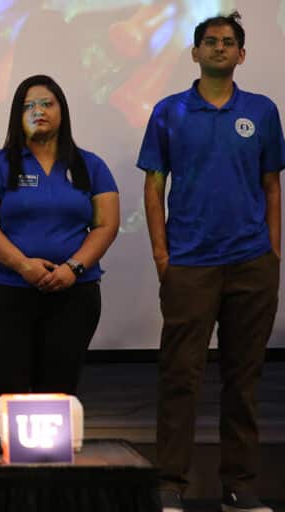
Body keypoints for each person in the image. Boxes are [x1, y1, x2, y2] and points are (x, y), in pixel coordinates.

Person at [137, 11, 285, 512]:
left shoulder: (262, 112)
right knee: (181, 377)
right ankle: (171, 484)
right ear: (196, 52)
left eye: (228, 42)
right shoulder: (169, 112)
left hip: (251, 263)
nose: (219, 48)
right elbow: (154, 185)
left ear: (241, 54)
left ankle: (240, 486)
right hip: (190, 263)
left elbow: (271, 186)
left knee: (243, 380)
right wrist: (162, 254)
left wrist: (272, 252)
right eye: (210, 42)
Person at [0, 75, 120, 396]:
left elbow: (106, 225)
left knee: (58, 391)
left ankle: (49, 450)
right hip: (9, 292)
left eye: (47, 103)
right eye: (28, 106)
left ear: (61, 111)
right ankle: (2, 449)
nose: (39, 111)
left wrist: (73, 268)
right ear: (17, 117)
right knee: (3, 392)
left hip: (74, 294)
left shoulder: (89, 166)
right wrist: (24, 266)